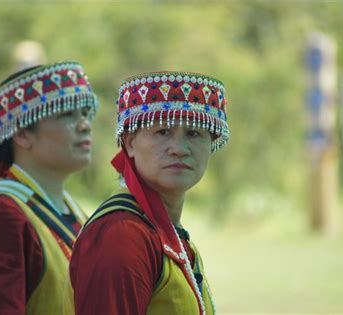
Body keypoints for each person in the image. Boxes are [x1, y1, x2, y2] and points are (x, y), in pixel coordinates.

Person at [69, 71, 230, 315]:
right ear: (130, 143)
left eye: (194, 133)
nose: (179, 148)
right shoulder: (122, 234)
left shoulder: (167, 232)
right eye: (163, 132)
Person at [0, 61, 98, 314]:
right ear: (21, 134)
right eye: (66, 114)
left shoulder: (72, 210)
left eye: (86, 113)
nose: (85, 125)